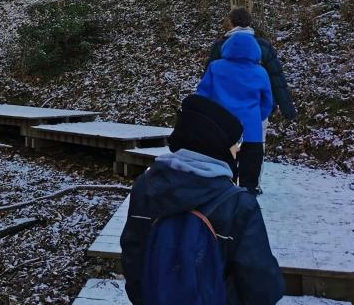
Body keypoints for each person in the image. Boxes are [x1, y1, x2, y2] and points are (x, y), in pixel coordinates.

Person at [120, 94, 283, 305]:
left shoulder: (146, 186)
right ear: (218, 145)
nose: (238, 149)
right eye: (235, 143)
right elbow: (262, 286)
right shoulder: (239, 204)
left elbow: (133, 256)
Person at [197, 32, 274, 194]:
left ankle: (220, 205)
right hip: (251, 134)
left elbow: (202, 96)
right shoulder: (260, 72)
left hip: (220, 131)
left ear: (228, 48)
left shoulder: (216, 68)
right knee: (249, 180)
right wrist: (255, 117)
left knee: (220, 174)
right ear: (255, 50)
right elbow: (267, 103)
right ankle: (246, 206)